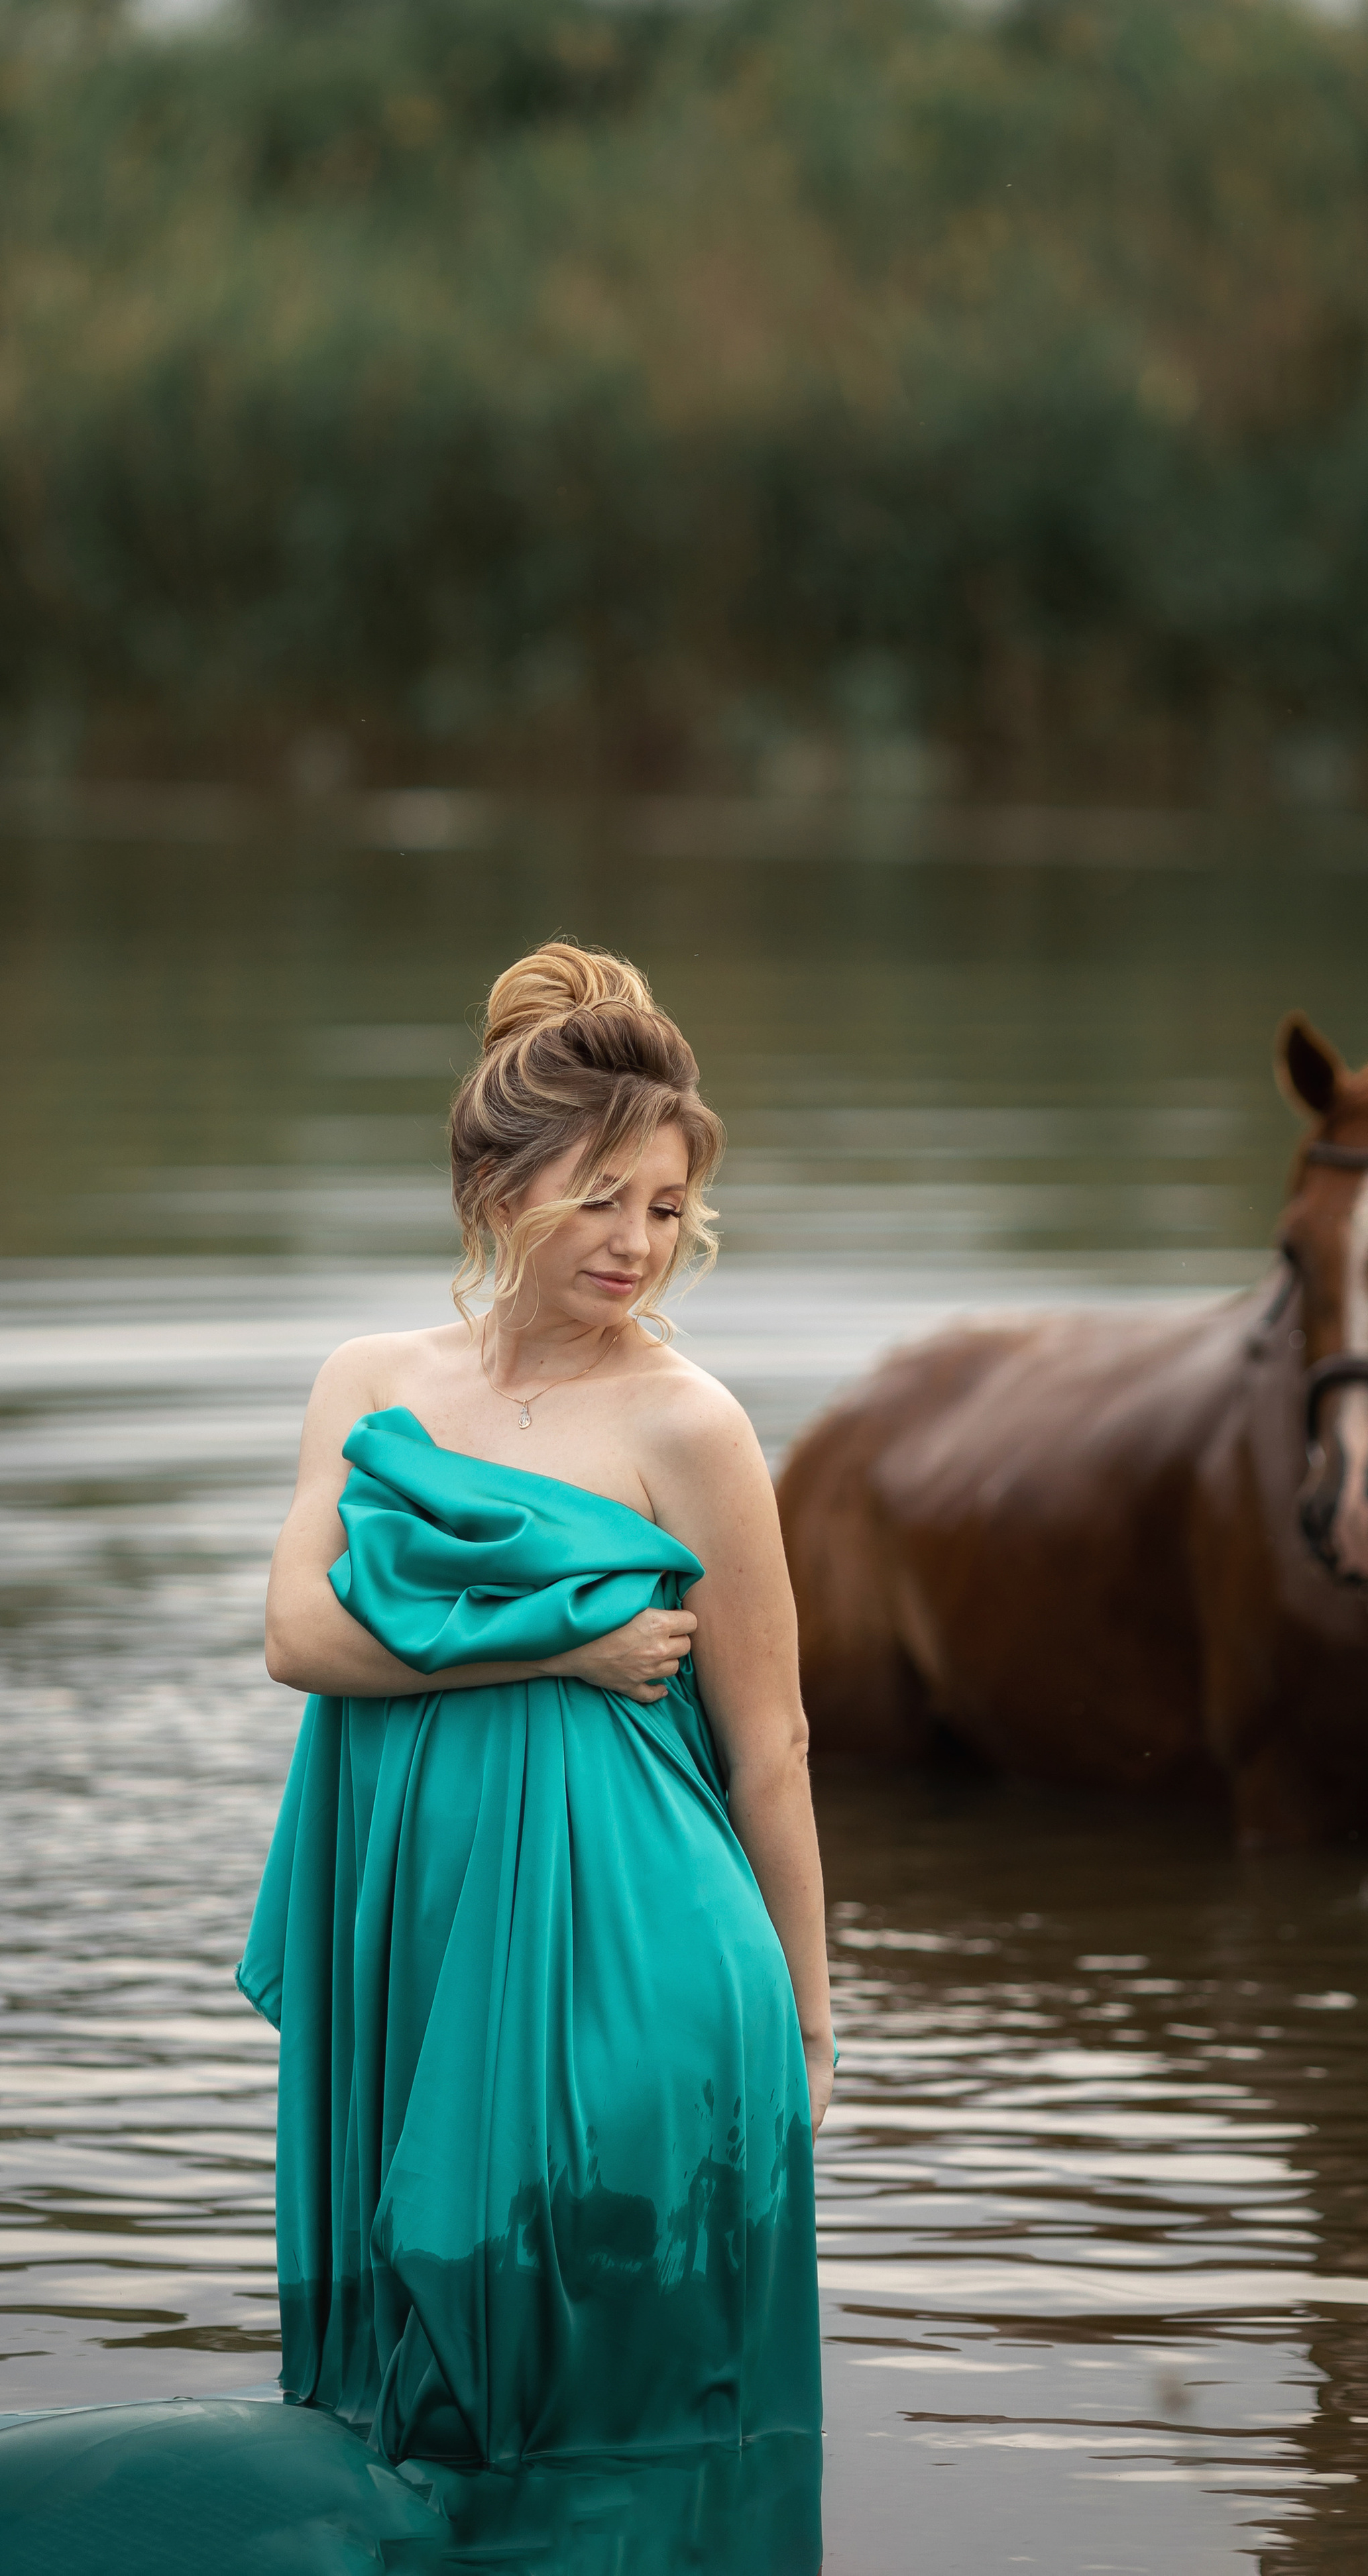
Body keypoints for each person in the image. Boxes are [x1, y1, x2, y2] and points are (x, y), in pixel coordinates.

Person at [239, 939, 832, 2510]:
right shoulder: (371, 1382)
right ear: (500, 1184)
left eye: (663, 1208)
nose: (637, 1244)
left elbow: (766, 1746)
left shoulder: (686, 1423)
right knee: (412, 2381)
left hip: (636, 1964)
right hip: (416, 1950)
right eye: (601, 1200)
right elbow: (300, 1636)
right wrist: (547, 1655)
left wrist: (810, 2019)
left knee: (588, 2371)